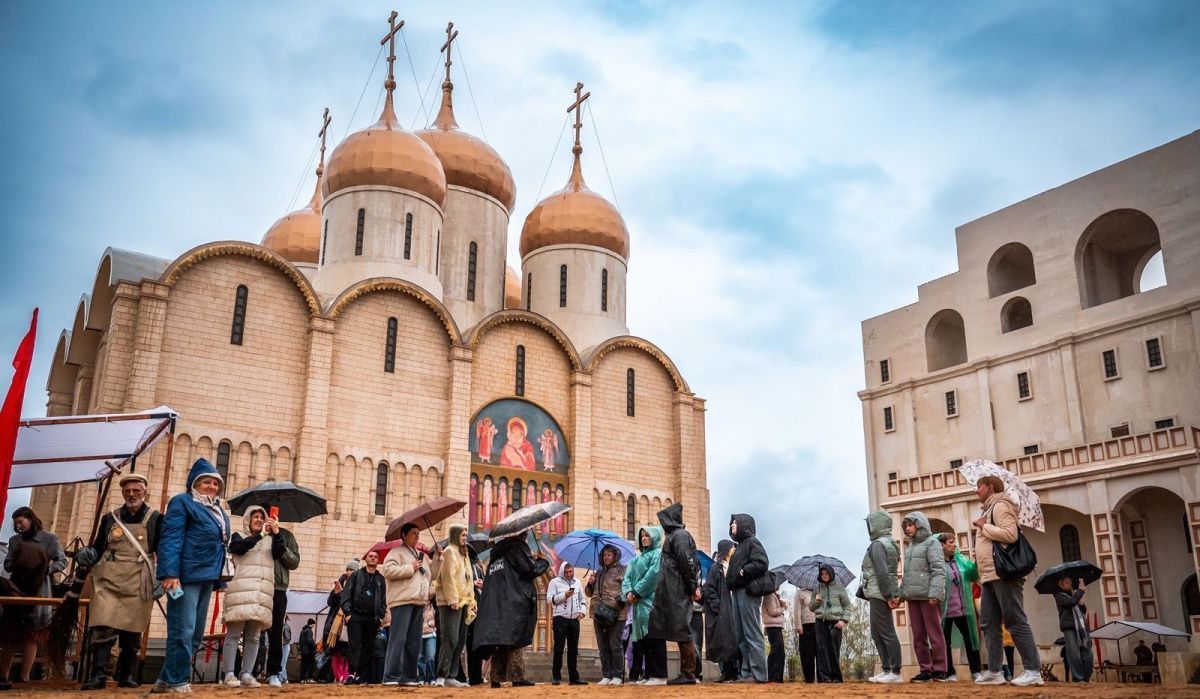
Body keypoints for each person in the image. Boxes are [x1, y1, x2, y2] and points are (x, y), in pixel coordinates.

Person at [76, 473, 162, 690]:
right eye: (127, 491)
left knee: (132, 631)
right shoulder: (109, 518)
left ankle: (126, 675)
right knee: (103, 627)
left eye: (136, 490)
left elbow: (162, 550)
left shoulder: (156, 518)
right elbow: (98, 548)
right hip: (108, 580)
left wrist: (162, 577)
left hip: (138, 580)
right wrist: (88, 554)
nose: (131, 494)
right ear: (123, 493)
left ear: (144, 492)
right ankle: (98, 676)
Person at [153, 458, 231, 694]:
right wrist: (170, 573)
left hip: (206, 577)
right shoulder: (182, 502)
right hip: (183, 578)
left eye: (216, 483)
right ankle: (177, 680)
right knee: (182, 629)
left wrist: (219, 577)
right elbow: (171, 538)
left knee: (195, 632)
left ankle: (165, 679)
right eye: (207, 482)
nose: (212, 487)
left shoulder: (217, 510)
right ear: (194, 483)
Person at [971, 475, 1042, 686]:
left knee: (1014, 620)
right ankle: (995, 671)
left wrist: (984, 526)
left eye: (979, 486)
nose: (976, 490)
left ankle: (1033, 671)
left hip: (1004, 574)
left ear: (990, 487)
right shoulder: (988, 510)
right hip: (989, 575)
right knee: (988, 623)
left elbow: (1010, 535)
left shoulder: (1001, 506)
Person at [471, 532, 549, 687]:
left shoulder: (496, 553)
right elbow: (530, 569)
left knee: (500, 641)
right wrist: (542, 561)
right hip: (513, 602)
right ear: (524, 537)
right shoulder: (517, 547)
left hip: (495, 604)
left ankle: (496, 677)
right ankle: (517, 677)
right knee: (515, 639)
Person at [1, 506, 66, 685]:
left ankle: (24, 677)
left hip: (39, 589)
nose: (18, 526)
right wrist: (17, 562)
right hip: (16, 589)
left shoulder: (49, 539)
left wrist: (45, 570)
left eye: (20, 522)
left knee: (32, 634)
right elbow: (7, 564)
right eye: (15, 523)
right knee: (9, 634)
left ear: (30, 519)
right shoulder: (14, 540)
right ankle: (3, 676)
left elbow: (62, 561)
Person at [220, 505, 276, 687]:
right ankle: (229, 674)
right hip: (241, 592)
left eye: (262, 517)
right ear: (248, 519)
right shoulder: (238, 536)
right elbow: (239, 548)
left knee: (254, 638)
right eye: (256, 517)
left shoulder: (270, 541)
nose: (259, 520)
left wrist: (276, 533)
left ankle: (247, 674)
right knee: (233, 635)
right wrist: (261, 535)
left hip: (261, 593)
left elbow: (280, 553)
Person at [648, 503, 701, 685]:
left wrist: (693, 587)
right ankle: (658, 673)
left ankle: (689, 674)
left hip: (677, 592)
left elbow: (686, 562)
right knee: (657, 628)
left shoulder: (680, 535)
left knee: (682, 631)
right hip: (667, 592)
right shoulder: (672, 536)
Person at [380, 524, 432, 687]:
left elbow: (431, 575)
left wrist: (438, 558)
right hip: (402, 600)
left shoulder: (422, 556)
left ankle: (409, 676)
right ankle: (391, 676)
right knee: (398, 638)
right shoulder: (396, 552)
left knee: (414, 641)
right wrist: (410, 567)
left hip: (419, 601)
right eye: (413, 533)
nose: (417, 536)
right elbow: (388, 571)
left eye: (418, 533)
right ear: (404, 535)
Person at [899, 512, 947, 682]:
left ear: (919, 524)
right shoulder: (910, 547)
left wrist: (935, 593)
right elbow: (908, 575)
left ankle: (940, 670)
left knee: (935, 634)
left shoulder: (932, 543)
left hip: (928, 597)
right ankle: (925, 670)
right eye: (905, 525)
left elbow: (938, 570)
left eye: (910, 524)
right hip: (913, 598)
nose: (907, 528)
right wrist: (901, 595)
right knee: (918, 636)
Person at [727, 513, 769, 684]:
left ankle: (759, 674)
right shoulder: (739, 546)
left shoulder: (752, 542)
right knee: (741, 636)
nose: (732, 526)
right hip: (737, 591)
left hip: (748, 592)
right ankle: (747, 673)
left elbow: (762, 562)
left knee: (752, 633)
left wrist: (744, 570)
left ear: (744, 525)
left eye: (735, 523)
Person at [860, 510, 902, 684]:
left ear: (876, 525)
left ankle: (895, 671)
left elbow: (882, 572)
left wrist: (887, 594)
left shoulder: (877, 545)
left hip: (879, 593)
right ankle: (886, 669)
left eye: (870, 524)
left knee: (886, 632)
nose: (869, 528)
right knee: (876, 633)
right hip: (880, 592)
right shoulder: (890, 543)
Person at [433, 526, 475, 687]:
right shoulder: (449, 551)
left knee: (460, 640)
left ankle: (451, 675)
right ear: (455, 535)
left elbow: (468, 579)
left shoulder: (464, 553)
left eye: (466, 535)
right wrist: (452, 600)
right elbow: (447, 577)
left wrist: (472, 601)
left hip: (464, 601)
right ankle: (441, 676)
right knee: (450, 638)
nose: (465, 538)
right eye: (462, 535)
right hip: (451, 602)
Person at [621, 526, 664, 684]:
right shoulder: (635, 560)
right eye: (642, 536)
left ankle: (658, 674)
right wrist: (628, 593)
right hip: (637, 606)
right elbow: (626, 579)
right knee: (642, 642)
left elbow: (652, 576)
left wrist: (636, 592)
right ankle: (648, 675)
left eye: (647, 535)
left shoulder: (658, 554)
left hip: (651, 603)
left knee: (653, 639)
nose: (644, 538)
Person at [263, 514, 299, 688]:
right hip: (258, 586)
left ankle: (274, 673)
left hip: (278, 589)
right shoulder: (257, 533)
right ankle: (247, 672)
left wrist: (278, 537)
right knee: (253, 632)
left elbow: (294, 562)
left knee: (276, 633)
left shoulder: (286, 535)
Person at [340, 550, 387, 684]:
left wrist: (380, 615)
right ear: (366, 559)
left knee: (368, 647)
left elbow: (383, 599)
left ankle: (360, 675)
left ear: (378, 561)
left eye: (375, 557)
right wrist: (348, 613)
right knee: (354, 646)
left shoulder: (380, 579)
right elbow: (346, 594)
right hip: (355, 615)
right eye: (370, 556)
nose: (373, 558)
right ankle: (351, 673)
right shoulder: (356, 575)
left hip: (372, 618)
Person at [939, 534, 981, 681]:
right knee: (945, 641)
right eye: (950, 542)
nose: (954, 545)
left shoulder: (961, 560)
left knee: (971, 639)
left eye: (954, 542)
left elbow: (974, 576)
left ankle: (976, 670)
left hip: (963, 607)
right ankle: (949, 672)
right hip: (945, 609)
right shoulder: (937, 562)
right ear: (942, 545)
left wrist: (976, 562)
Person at [585, 543, 626, 685]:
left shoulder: (623, 570)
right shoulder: (599, 572)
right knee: (603, 646)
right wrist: (590, 583)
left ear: (615, 556)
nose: (606, 557)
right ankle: (607, 675)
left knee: (615, 645)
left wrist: (619, 601)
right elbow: (589, 593)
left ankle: (617, 676)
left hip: (616, 614)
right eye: (604, 555)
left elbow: (627, 589)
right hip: (598, 613)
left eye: (609, 555)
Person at [701, 540, 738, 682]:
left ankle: (734, 671)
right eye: (732, 547)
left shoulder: (733, 566)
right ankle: (726, 672)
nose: (733, 549)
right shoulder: (715, 568)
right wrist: (718, 608)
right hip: (722, 611)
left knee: (732, 640)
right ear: (726, 549)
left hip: (732, 608)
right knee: (723, 641)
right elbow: (710, 590)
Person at [546, 561, 588, 685]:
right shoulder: (554, 582)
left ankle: (574, 677)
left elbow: (582, 599)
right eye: (566, 572)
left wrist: (582, 611)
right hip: (560, 618)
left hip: (574, 619)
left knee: (573, 649)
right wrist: (564, 595)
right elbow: (549, 600)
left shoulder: (577, 582)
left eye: (571, 571)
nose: (569, 574)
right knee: (559, 648)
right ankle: (556, 677)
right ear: (562, 571)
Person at [809, 565, 850, 683]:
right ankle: (824, 678)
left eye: (826, 573)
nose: (824, 576)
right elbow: (811, 607)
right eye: (822, 574)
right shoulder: (816, 589)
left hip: (836, 623)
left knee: (834, 649)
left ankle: (836, 677)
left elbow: (847, 606)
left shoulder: (840, 589)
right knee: (822, 650)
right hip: (820, 622)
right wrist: (816, 600)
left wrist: (843, 620)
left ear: (831, 574)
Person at [1055, 575, 1092, 682]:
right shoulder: (1058, 595)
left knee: (1088, 653)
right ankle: (1078, 678)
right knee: (1074, 653)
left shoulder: (1075, 595)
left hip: (1082, 627)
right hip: (1069, 627)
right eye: (1066, 582)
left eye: (1070, 582)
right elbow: (1070, 602)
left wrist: (1081, 603)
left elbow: (1083, 610)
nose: (1069, 584)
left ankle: (1086, 678)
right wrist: (1080, 591)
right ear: (1061, 583)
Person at [761, 571, 789, 683]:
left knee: (779, 652)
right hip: (773, 626)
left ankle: (777, 678)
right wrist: (783, 608)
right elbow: (773, 611)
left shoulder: (774, 595)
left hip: (776, 625)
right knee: (777, 652)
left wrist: (780, 603)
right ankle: (774, 677)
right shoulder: (770, 595)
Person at [465, 551, 486, 685]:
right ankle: (471, 676)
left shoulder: (478, 569)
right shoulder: (464, 568)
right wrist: (472, 584)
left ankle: (477, 676)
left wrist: (483, 584)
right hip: (468, 609)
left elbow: (484, 585)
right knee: (469, 644)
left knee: (477, 644)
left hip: (479, 609)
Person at [792, 588, 817, 683]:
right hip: (806, 625)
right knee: (807, 653)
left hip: (819, 624)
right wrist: (798, 625)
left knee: (820, 652)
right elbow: (797, 610)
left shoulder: (819, 590)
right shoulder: (799, 593)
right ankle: (809, 679)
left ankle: (822, 679)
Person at [419, 602, 437, 684]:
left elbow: (437, 619)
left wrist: (429, 624)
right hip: (418, 635)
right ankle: (421, 678)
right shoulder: (417, 606)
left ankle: (431, 678)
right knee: (420, 658)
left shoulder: (433, 606)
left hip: (431, 635)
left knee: (430, 657)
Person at [298, 618, 317, 683]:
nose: (314, 626)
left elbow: (300, 641)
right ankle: (310, 678)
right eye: (314, 624)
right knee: (311, 665)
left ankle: (302, 679)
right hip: (309, 651)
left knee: (303, 665)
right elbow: (309, 640)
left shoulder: (303, 630)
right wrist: (314, 646)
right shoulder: (309, 631)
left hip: (303, 651)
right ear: (311, 624)